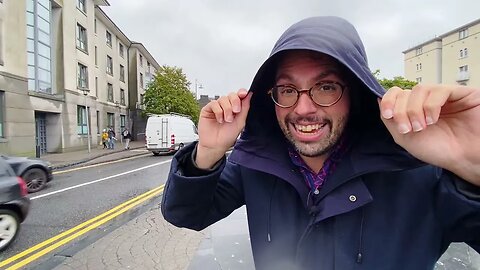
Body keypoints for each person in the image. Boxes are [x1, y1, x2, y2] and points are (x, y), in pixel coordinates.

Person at [161, 16, 480, 270]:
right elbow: (185, 214)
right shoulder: (256, 163)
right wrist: (209, 152)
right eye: (287, 89)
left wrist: (472, 166)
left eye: (325, 87)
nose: (302, 109)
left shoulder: (420, 169)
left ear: (355, 93)